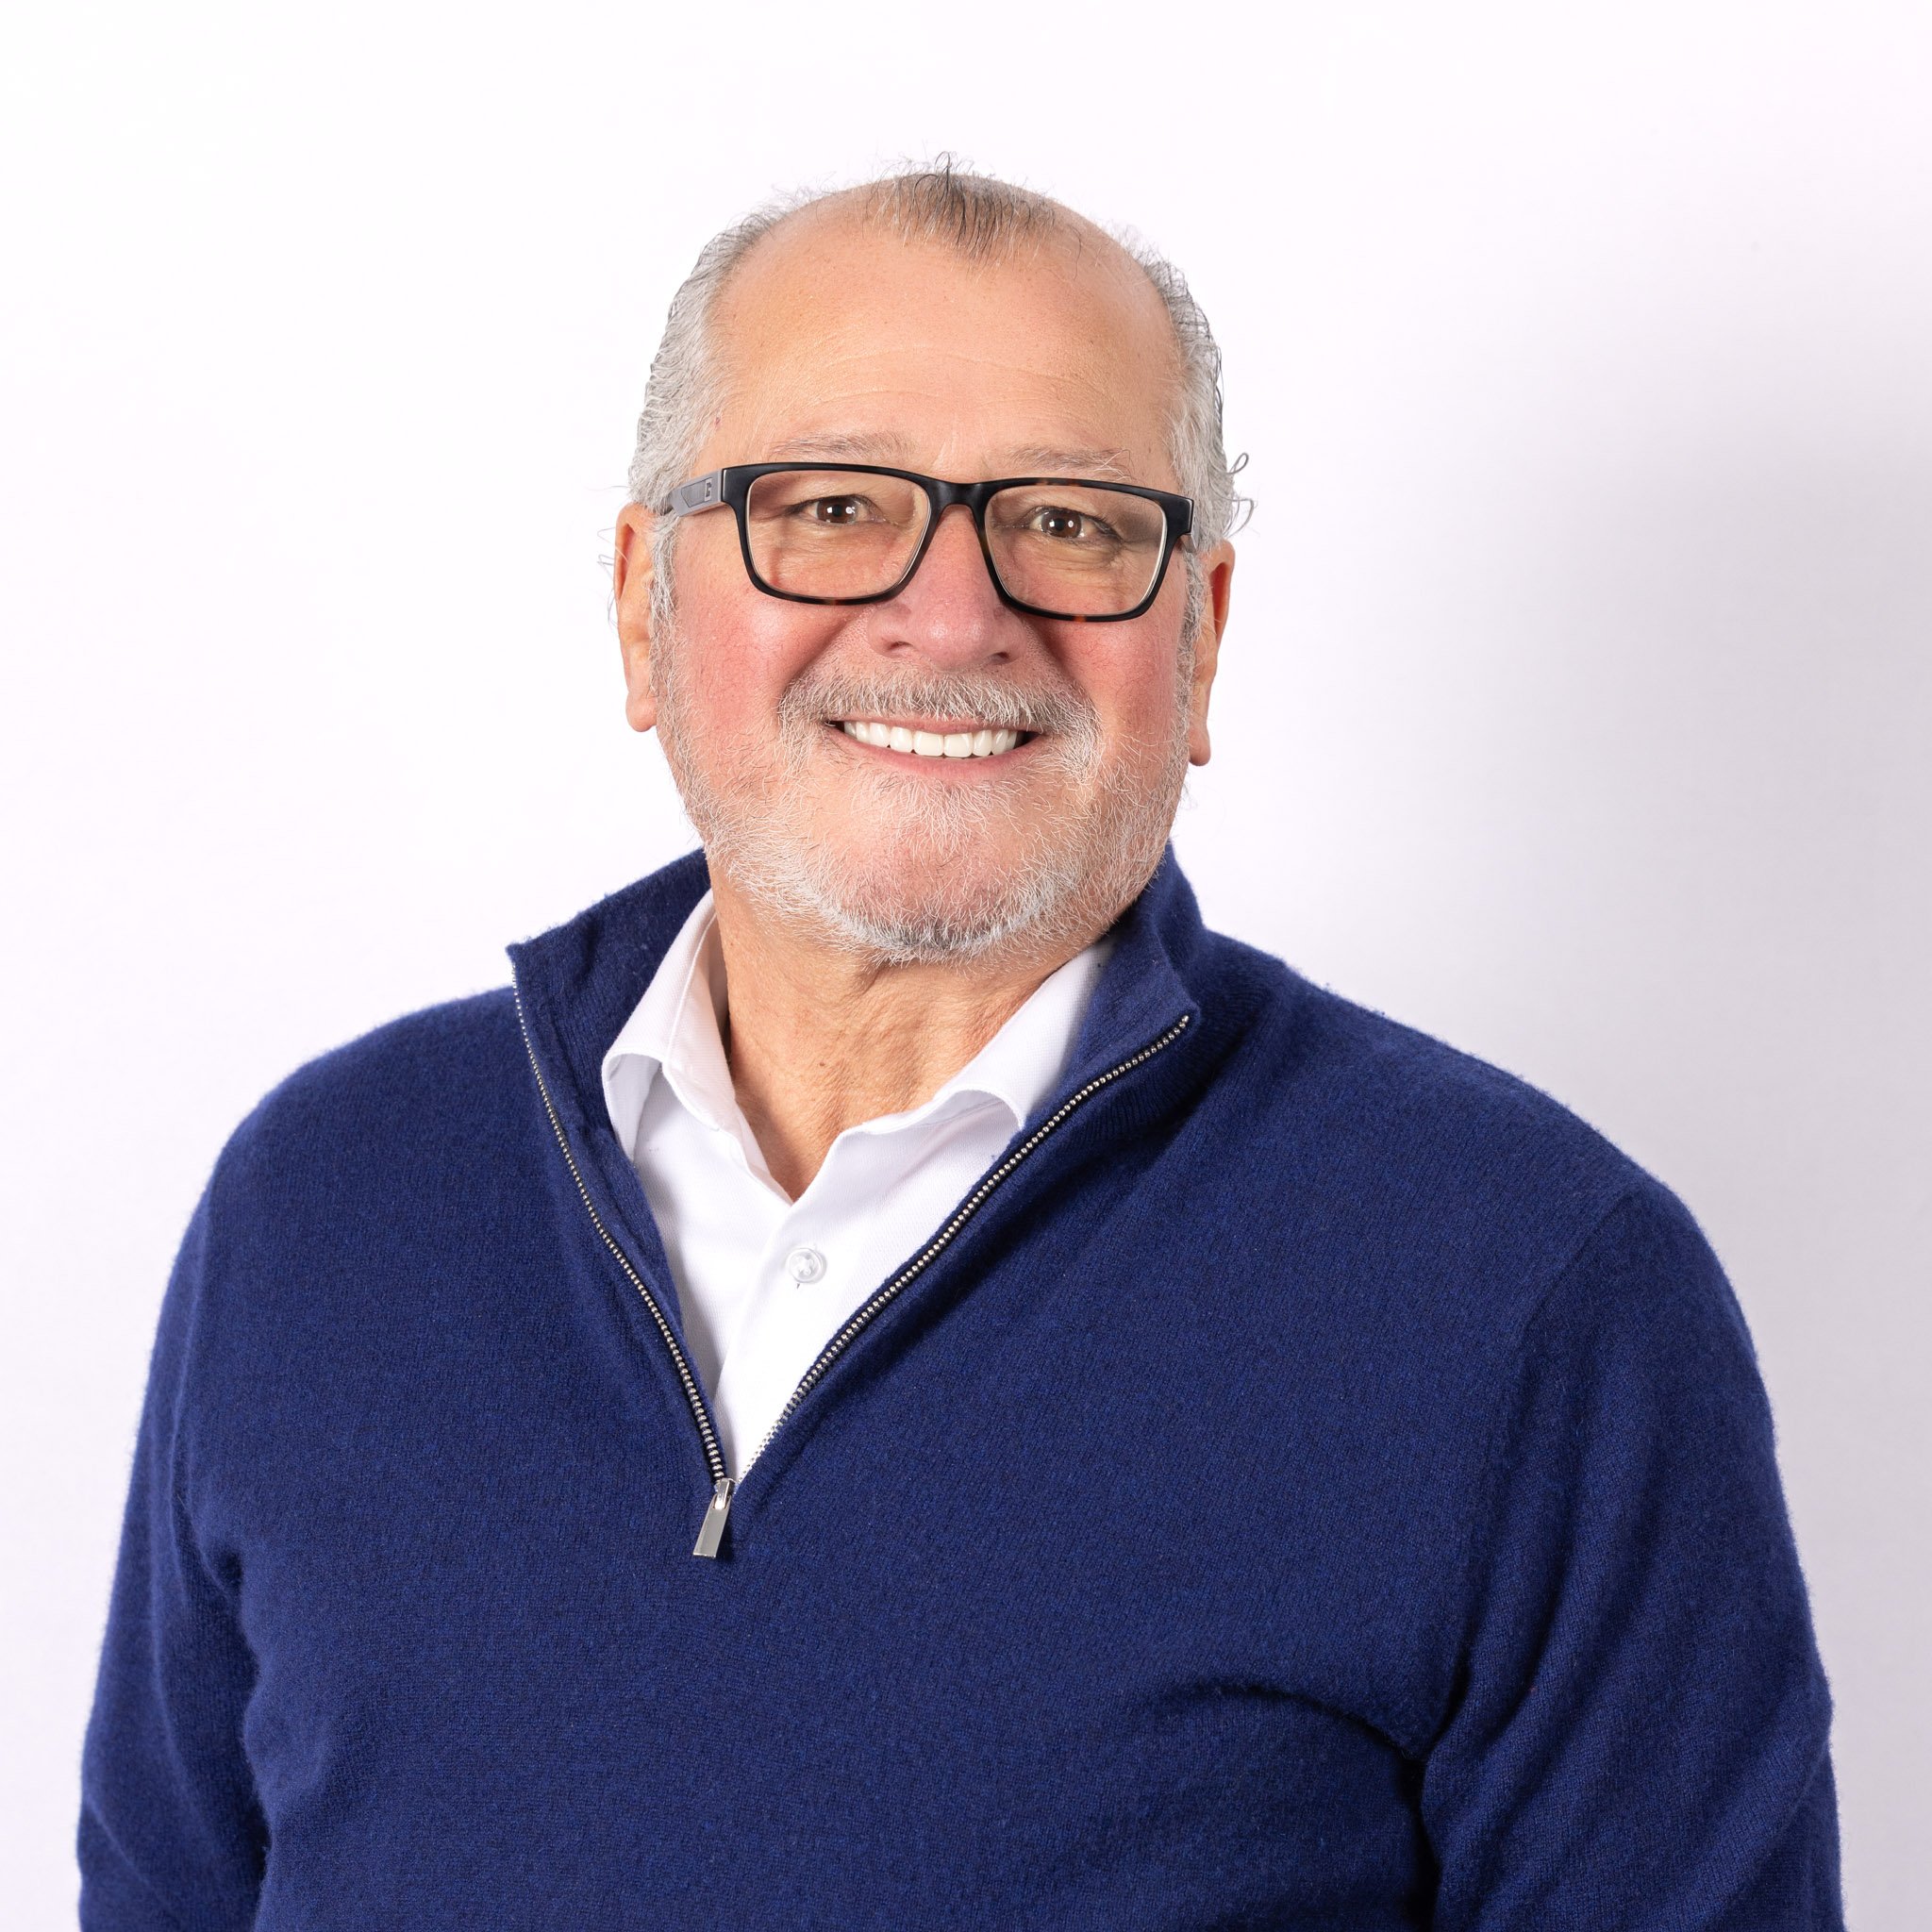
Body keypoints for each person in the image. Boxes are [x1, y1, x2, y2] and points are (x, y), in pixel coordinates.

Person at [78, 165, 1843, 1928]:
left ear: (1202, 634)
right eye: (833, 503)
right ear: (640, 605)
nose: (953, 614)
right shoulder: (326, 1201)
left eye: (1071, 522)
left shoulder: (1531, 1288)